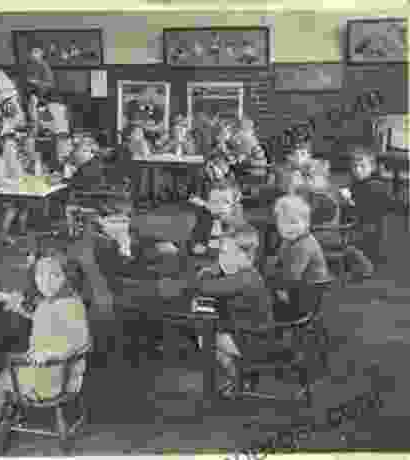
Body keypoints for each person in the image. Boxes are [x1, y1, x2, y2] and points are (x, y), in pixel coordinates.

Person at [0, 250, 90, 431]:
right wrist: (8, 298)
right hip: (52, 369)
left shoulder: (71, 307)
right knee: (9, 362)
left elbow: (80, 341)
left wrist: (50, 354)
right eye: (40, 275)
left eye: (55, 275)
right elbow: (36, 313)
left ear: (69, 277)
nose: (45, 281)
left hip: (55, 375)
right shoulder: (54, 301)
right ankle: (9, 411)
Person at [159, 223, 272, 397]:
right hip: (251, 333)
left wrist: (205, 272)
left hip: (254, 340)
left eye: (225, 253)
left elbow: (202, 286)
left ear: (245, 255)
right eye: (221, 253)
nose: (221, 258)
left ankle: (237, 379)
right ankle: (240, 379)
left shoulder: (243, 278)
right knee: (206, 328)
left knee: (205, 336)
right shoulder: (245, 273)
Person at [64, 138, 134, 260]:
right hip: (106, 202)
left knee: (66, 204)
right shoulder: (94, 164)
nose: (75, 153)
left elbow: (76, 185)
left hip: (93, 202)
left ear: (89, 152)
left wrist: (66, 179)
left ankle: (72, 236)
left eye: (79, 151)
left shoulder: (88, 168)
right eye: (76, 150)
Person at [265, 194, 331, 323]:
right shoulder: (289, 240)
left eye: (294, 222)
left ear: (306, 223)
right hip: (295, 287)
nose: (289, 228)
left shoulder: (303, 245)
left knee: (260, 303)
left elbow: (291, 276)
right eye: (283, 223)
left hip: (305, 296)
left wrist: (278, 288)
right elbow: (280, 264)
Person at [341, 146, 397, 268]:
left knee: (359, 248)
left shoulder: (374, 186)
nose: (358, 170)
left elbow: (362, 210)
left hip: (367, 227)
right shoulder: (359, 182)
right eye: (354, 166)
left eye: (362, 166)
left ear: (372, 167)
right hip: (363, 225)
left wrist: (348, 200)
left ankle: (363, 261)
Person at [0, 133, 29, 246]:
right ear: (2, 147)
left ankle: (21, 230)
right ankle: (2, 235)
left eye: (14, 147)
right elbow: (1, 181)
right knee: (11, 208)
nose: (12, 149)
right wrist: (16, 182)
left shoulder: (10, 160)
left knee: (23, 202)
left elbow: (20, 175)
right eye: (9, 146)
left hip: (6, 192)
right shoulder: (0, 160)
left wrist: (17, 164)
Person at [23, 44, 55, 135]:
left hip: (41, 95)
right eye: (32, 52)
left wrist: (36, 82)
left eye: (36, 52)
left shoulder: (44, 66)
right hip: (27, 94)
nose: (33, 54)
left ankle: (42, 128)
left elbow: (50, 84)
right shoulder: (27, 66)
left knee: (38, 107)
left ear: (41, 54)